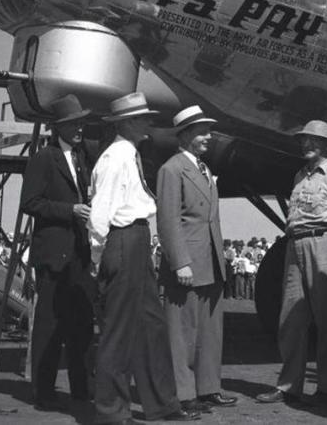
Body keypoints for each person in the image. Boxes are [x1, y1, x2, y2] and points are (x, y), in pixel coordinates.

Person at [89, 92, 199, 424]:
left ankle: (162, 404)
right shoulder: (115, 158)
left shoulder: (129, 154)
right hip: (122, 240)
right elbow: (99, 214)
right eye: (143, 118)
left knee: (151, 324)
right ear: (128, 122)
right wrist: (99, 256)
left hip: (136, 239)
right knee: (119, 331)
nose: (149, 123)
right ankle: (111, 412)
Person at [256, 120, 327, 406]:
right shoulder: (299, 176)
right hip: (294, 246)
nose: (307, 144)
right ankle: (289, 386)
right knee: (290, 318)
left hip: (325, 246)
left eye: (314, 140)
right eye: (304, 140)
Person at [156, 105, 238, 415]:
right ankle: (183, 395)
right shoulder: (172, 169)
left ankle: (208, 389)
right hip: (188, 263)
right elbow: (167, 220)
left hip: (212, 263)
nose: (209, 136)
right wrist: (180, 261)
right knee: (182, 334)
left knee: (210, 332)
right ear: (186, 134)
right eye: (203, 131)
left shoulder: (203, 168)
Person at [19, 94, 95, 412]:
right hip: (53, 254)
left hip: (80, 254)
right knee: (50, 324)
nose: (79, 129)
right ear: (58, 127)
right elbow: (30, 203)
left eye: (80, 123)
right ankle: (44, 392)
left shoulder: (83, 157)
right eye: (72, 124)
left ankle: (81, 389)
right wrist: (70, 210)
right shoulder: (43, 158)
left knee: (81, 323)